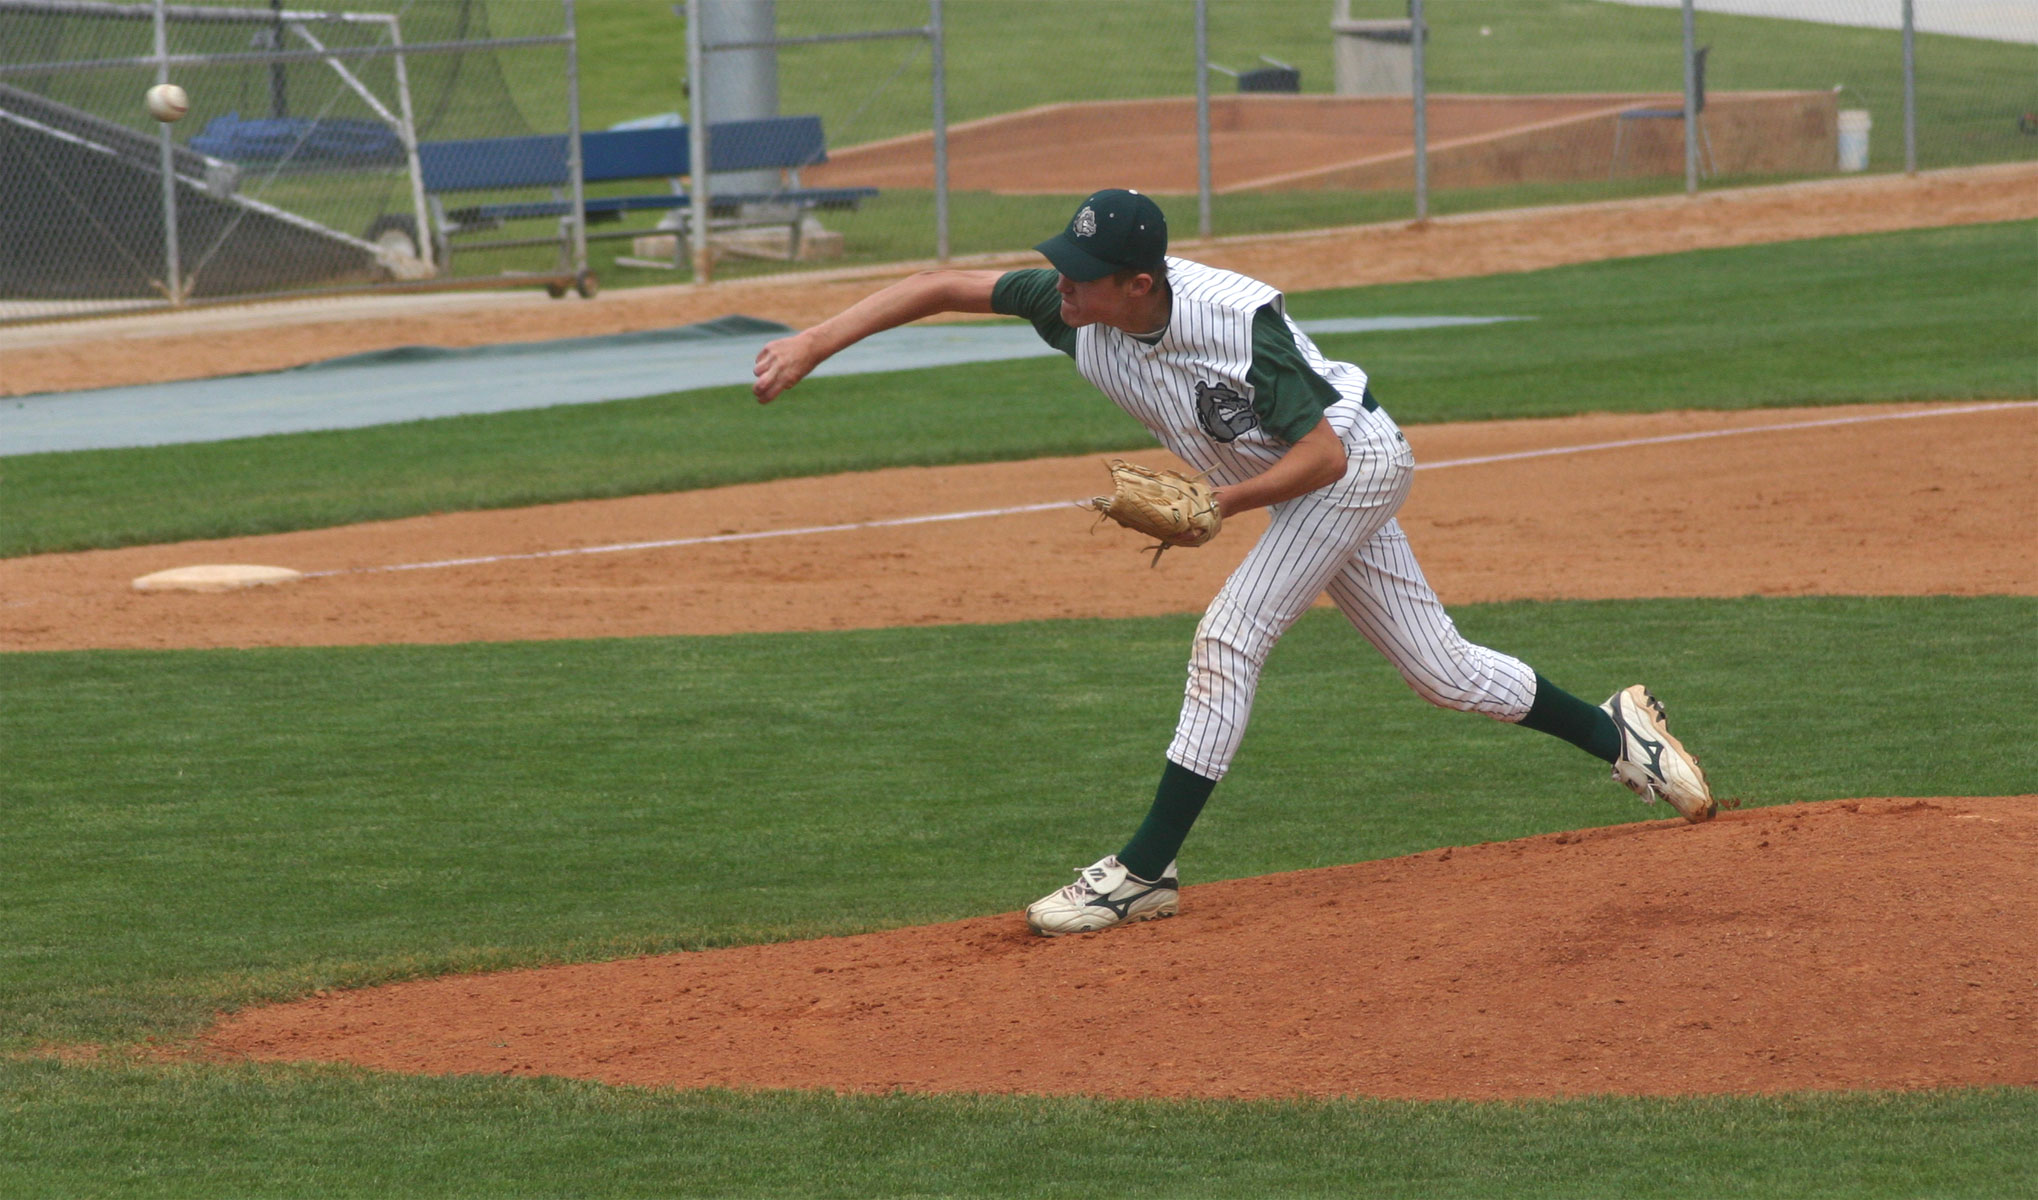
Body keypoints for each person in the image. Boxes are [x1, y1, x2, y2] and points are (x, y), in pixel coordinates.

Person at [752, 188, 1714, 937]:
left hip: (1348, 460)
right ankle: (1620, 735)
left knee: (1229, 633)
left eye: (1085, 276)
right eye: (1065, 271)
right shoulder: (1077, 307)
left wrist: (1217, 503)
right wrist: (814, 341)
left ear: (1141, 283)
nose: (1064, 288)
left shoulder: (1236, 322)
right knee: (1443, 672)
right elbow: (941, 286)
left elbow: (1326, 455)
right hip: (1296, 478)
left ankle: (1144, 873)